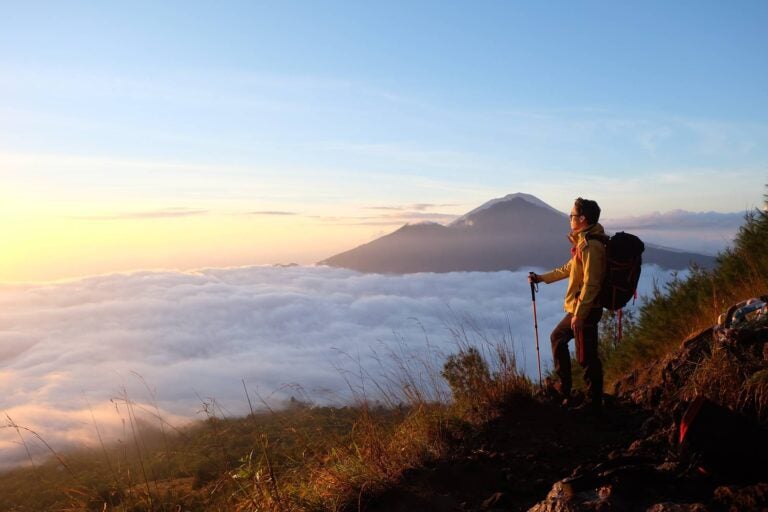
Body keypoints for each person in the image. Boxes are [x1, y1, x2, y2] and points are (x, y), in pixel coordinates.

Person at [528, 197, 606, 412]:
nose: (569, 218)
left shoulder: (591, 246)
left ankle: (593, 403)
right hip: (581, 308)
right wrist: (541, 278)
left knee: (586, 357)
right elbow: (568, 269)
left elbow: (592, 283)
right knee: (559, 339)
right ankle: (567, 389)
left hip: (586, 309)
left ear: (582, 218)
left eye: (572, 215)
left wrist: (579, 315)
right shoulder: (584, 242)